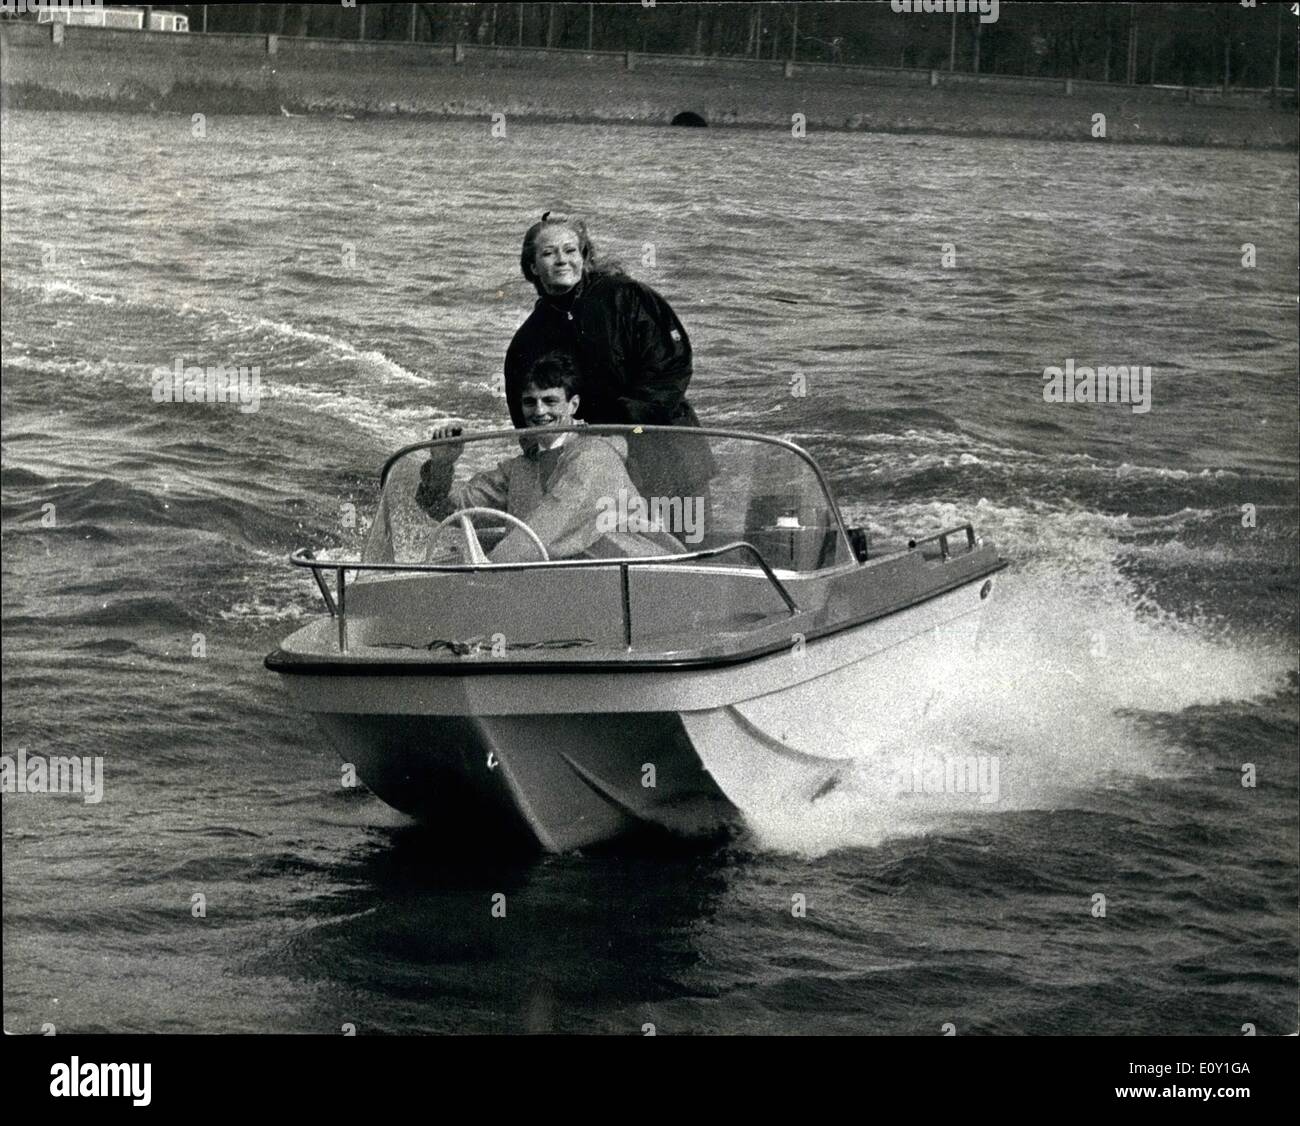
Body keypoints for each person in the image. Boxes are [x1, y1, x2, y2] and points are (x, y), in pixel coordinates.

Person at [504, 211, 715, 510]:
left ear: (584, 256)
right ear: (532, 267)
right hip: (593, 472)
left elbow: (671, 367)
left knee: (690, 551)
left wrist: (617, 424)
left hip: (667, 453)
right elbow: (527, 419)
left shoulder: (627, 296)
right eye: (548, 253)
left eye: (570, 250)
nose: (562, 260)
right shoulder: (528, 340)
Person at [415, 352, 685, 564]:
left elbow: (553, 522)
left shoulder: (594, 455)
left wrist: (487, 572)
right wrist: (441, 464)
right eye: (530, 402)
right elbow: (449, 511)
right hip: (558, 583)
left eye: (550, 401)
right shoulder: (520, 468)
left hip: (637, 578)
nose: (539, 411)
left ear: (573, 405)